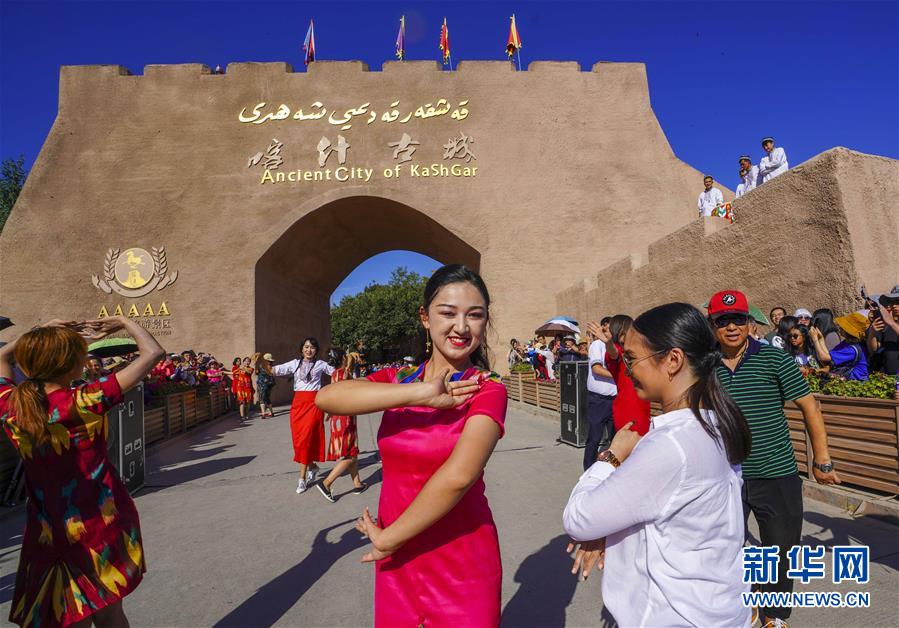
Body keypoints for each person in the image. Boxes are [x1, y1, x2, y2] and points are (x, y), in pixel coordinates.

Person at [316, 264, 507, 627]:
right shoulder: (399, 380)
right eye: (448, 313)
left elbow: (460, 475)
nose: (462, 327)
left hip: (460, 560)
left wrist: (390, 538)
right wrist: (423, 393)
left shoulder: (488, 388)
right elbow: (328, 398)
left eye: (475, 315)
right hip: (398, 561)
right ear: (425, 317)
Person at [563, 303, 751, 627]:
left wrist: (612, 456)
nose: (628, 368)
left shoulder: (671, 446)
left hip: (674, 616)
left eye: (633, 358)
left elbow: (579, 519)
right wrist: (607, 531)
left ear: (673, 360)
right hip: (716, 611)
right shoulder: (716, 426)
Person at [0, 316, 165, 627]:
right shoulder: (85, 399)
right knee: (109, 614)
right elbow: (153, 353)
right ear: (70, 365)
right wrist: (122, 320)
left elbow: (0, 357)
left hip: (47, 529)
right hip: (100, 522)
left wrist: (39, 333)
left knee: (65, 616)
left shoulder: (11, 405)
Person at [706, 289, 839, 627]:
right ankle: (738, 607)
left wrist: (822, 460)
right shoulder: (704, 367)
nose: (732, 327)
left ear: (750, 323)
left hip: (776, 473)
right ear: (713, 325)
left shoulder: (774, 359)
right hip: (725, 476)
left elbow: (810, 407)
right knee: (722, 549)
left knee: (779, 552)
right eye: (723, 320)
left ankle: (774, 616)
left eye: (738, 319)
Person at [273, 338, 335, 493]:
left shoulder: (321, 364)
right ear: (302, 349)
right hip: (298, 406)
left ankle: (302, 479)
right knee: (299, 441)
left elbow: (337, 374)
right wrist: (261, 361)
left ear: (316, 350)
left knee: (306, 439)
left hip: (314, 404)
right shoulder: (294, 363)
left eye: (312, 347)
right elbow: (274, 370)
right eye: (306, 347)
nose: (309, 350)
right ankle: (312, 467)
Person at [315, 349, 368, 502]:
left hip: (338, 417)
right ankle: (326, 483)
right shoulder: (343, 373)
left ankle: (357, 483)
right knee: (349, 456)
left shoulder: (334, 375)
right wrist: (350, 359)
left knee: (352, 453)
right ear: (342, 358)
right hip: (346, 417)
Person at [599, 315, 651, 435]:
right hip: (628, 409)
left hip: (643, 406)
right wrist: (608, 343)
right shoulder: (618, 351)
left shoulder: (637, 349)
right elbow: (613, 353)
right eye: (630, 328)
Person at [583, 317, 617, 470]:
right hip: (598, 401)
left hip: (615, 400)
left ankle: (613, 470)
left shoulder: (616, 347)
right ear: (603, 328)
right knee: (595, 438)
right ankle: (588, 472)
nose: (611, 331)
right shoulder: (597, 345)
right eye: (608, 328)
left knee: (616, 440)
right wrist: (618, 374)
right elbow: (597, 369)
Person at [810, 312, 869, 380]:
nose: (840, 328)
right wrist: (820, 339)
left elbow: (824, 357)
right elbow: (829, 356)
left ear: (848, 332)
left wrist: (814, 339)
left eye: (843, 328)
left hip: (856, 382)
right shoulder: (846, 343)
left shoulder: (852, 350)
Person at [866, 286, 899, 375]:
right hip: (887, 378)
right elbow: (873, 350)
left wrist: (891, 323)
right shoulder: (888, 325)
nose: (894, 306)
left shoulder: (891, 323)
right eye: (892, 302)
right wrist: (872, 334)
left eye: (898, 302)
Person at [253, 352, 276, 418]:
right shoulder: (271, 365)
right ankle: (271, 412)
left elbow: (257, 372)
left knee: (262, 399)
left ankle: (263, 413)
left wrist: (256, 361)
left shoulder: (262, 366)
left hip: (262, 384)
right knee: (268, 398)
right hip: (270, 384)